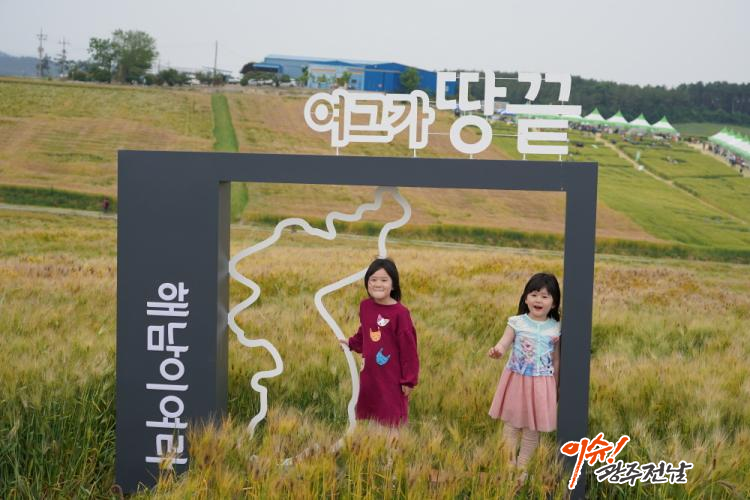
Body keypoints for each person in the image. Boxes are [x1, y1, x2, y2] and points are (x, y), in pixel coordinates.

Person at [487, 272, 561, 478]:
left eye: (545, 296)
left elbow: (556, 360)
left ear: (554, 303)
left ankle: (523, 469)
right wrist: (498, 350)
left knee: (532, 429)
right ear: (526, 298)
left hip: (542, 383)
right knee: (511, 425)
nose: (539, 300)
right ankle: (508, 466)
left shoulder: (556, 328)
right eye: (534, 294)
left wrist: (555, 386)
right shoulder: (517, 322)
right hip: (517, 380)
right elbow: (504, 342)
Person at [340, 258, 419, 426]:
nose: (378, 284)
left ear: (393, 284)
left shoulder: (400, 313)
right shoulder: (365, 306)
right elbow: (365, 330)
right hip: (370, 374)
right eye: (373, 279)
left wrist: (409, 379)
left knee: (391, 417)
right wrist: (351, 343)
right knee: (371, 417)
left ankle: (393, 442)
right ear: (367, 282)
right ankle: (374, 441)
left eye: (384, 280)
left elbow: (409, 349)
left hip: (391, 378)